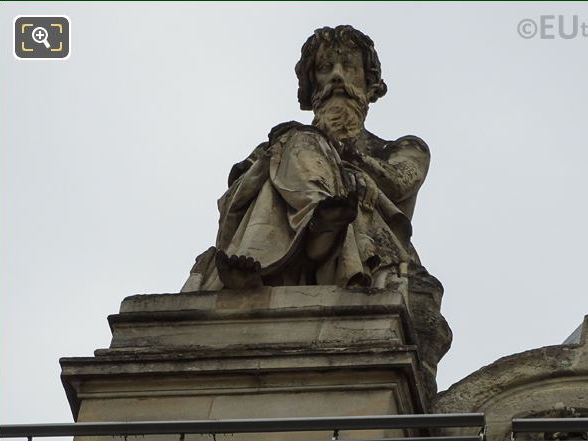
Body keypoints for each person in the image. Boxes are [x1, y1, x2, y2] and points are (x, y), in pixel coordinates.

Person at [182, 26, 450, 396]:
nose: (338, 75)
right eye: (326, 68)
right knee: (292, 145)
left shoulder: (402, 146)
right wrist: (287, 146)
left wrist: (341, 149)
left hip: (371, 233)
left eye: (349, 66)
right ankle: (311, 228)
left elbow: (400, 181)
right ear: (312, 86)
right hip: (303, 217)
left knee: (303, 148)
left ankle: (312, 231)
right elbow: (238, 188)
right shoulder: (291, 140)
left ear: (370, 83)